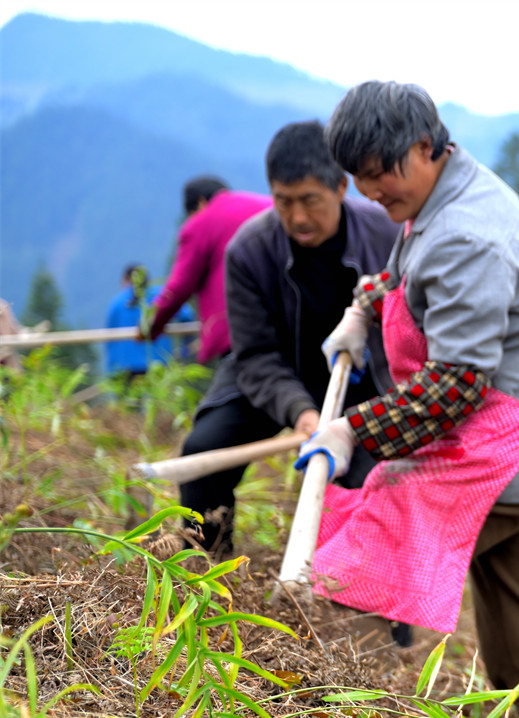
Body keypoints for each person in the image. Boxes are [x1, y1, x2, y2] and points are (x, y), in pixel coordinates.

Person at [297, 81, 519, 718]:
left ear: (425, 146)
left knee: (354, 574)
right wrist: (365, 308)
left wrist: (352, 430)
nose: (371, 191)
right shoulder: (444, 193)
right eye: (359, 176)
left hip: (503, 457)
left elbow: (455, 385)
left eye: (381, 173)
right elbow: (407, 278)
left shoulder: (467, 235)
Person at [176, 122, 398, 558]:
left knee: (368, 481)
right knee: (201, 452)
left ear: (341, 187)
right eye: (283, 201)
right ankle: (205, 571)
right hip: (270, 376)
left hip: (359, 379)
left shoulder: (385, 235)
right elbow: (255, 354)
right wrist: (301, 411)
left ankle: (359, 594)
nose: (297, 217)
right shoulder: (250, 249)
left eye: (309, 200)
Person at [143, 176, 270, 365]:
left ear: (201, 202)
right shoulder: (269, 205)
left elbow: (180, 285)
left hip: (241, 331)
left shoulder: (201, 222)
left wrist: (150, 324)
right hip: (292, 322)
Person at [104, 263, 190, 385]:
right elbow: (187, 316)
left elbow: (110, 340)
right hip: (159, 364)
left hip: (126, 368)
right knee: (160, 396)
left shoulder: (116, 303)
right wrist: (186, 346)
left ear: (126, 279)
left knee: (131, 397)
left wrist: (112, 371)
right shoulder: (161, 295)